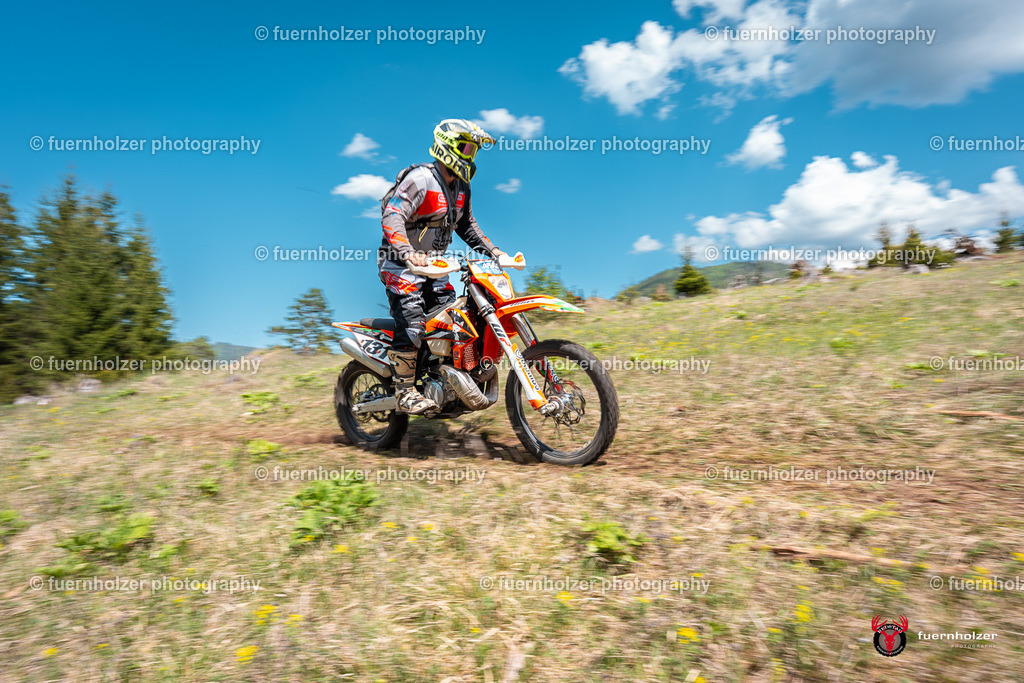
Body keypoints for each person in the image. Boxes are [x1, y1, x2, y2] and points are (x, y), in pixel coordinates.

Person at [378, 119, 508, 414]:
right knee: (412, 321)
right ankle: (404, 391)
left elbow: (468, 226)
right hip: (402, 265)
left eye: (474, 151)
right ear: (447, 147)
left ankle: (446, 382)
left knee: (455, 322)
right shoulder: (421, 179)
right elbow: (392, 215)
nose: (471, 156)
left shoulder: (462, 187)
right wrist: (408, 253)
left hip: (434, 268)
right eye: (466, 148)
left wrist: (495, 252)